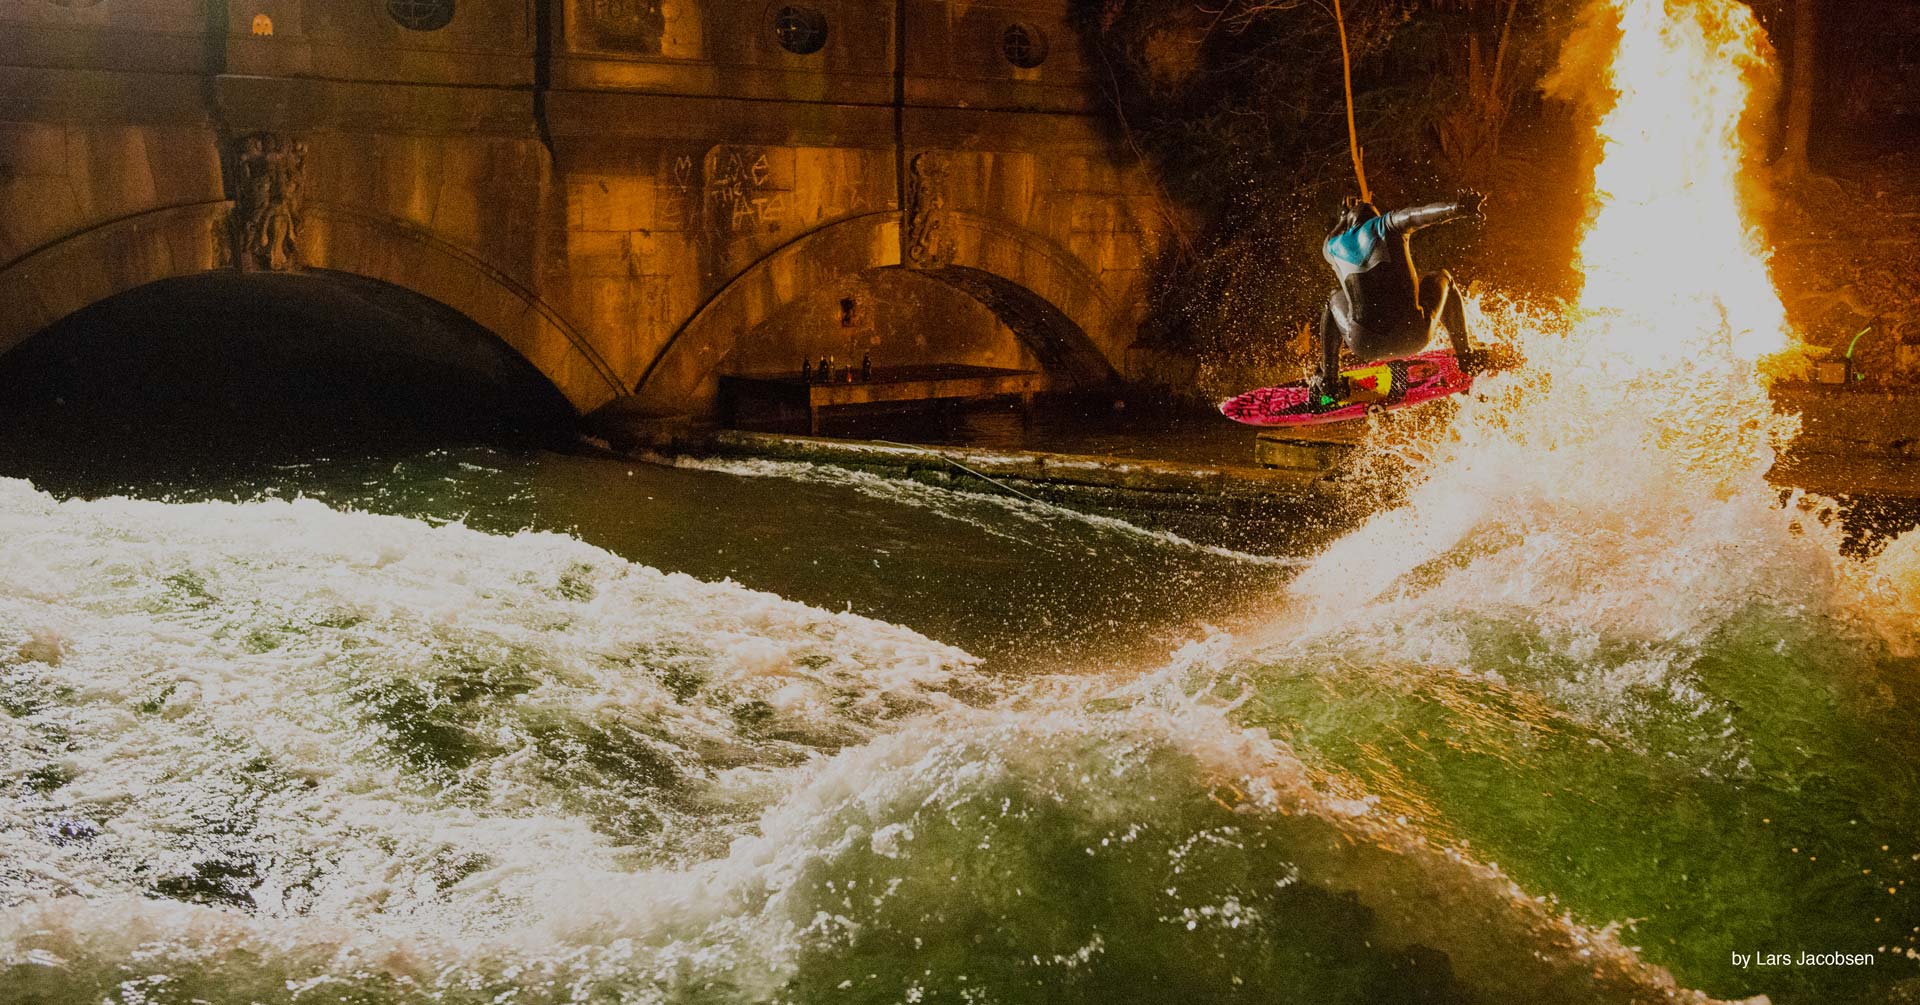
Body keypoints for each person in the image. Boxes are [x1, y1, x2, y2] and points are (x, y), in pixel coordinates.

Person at [1309, 189, 1502, 408]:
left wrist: (1342, 218)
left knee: (1333, 299)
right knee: (1442, 277)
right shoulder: (1387, 224)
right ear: (1376, 216)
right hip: (1415, 335)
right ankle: (1466, 357)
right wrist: (1457, 208)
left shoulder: (1332, 247)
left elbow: (1331, 236)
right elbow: (1419, 215)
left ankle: (1330, 381)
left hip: (1364, 345)